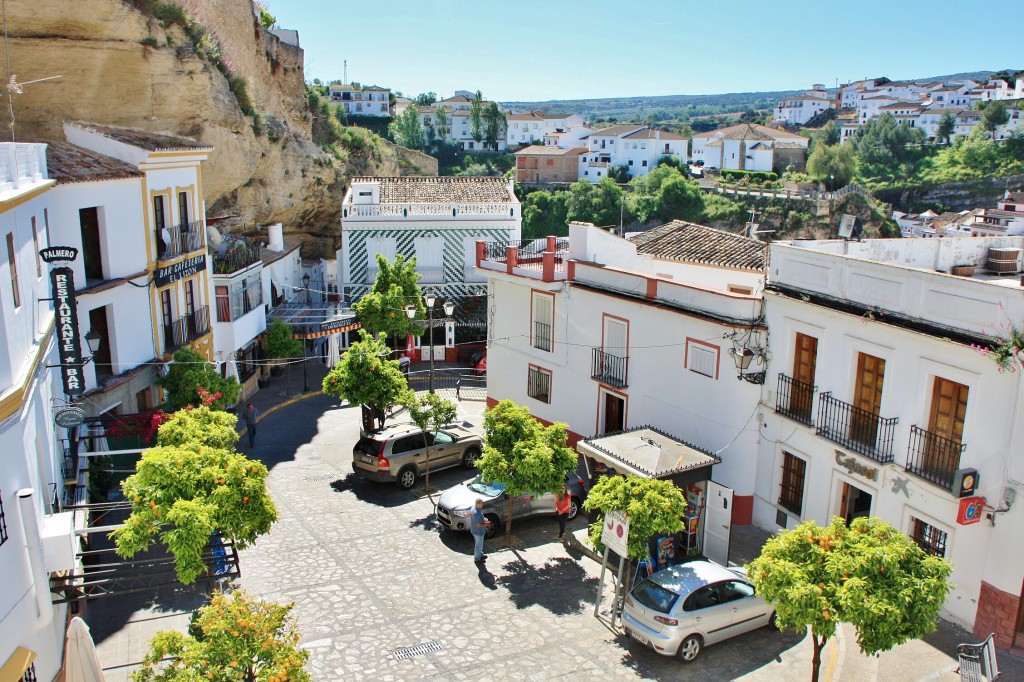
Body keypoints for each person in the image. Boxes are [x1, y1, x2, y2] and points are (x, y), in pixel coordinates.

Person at [469, 499, 491, 563]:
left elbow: (478, 519)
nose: (483, 504)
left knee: (479, 544)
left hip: (474, 530)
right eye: (482, 503)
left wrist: (484, 519)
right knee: (478, 545)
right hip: (478, 532)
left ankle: (480, 554)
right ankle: (477, 559)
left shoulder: (473, 508)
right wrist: (487, 523)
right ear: (478, 504)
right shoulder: (477, 513)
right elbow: (479, 525)